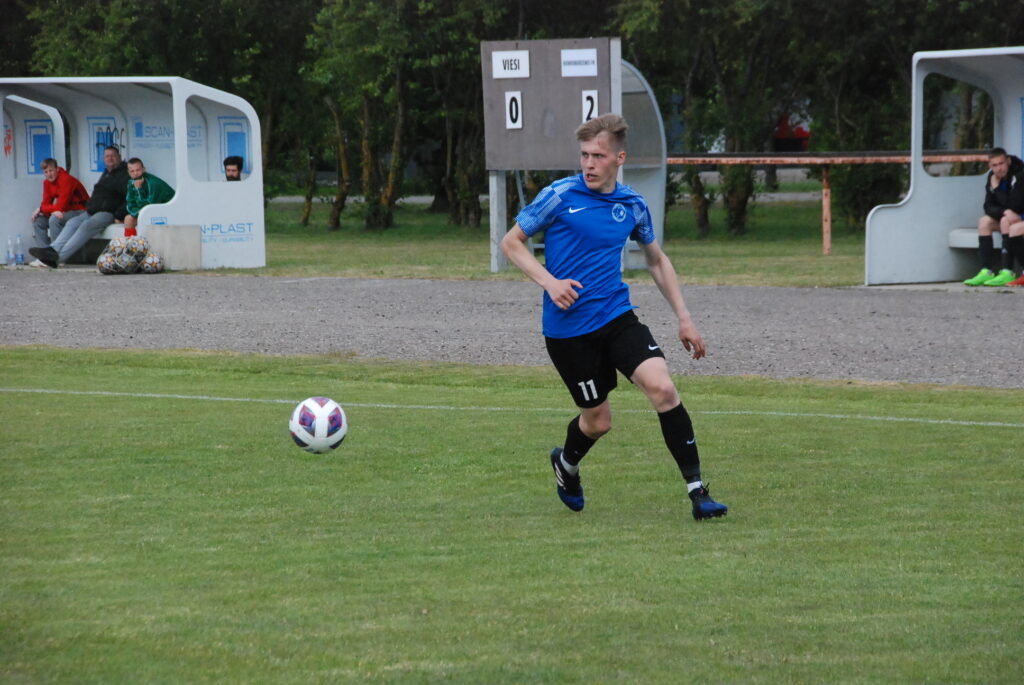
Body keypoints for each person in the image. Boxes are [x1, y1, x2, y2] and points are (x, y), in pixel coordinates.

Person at [500, 113, 728, 521]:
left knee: (663, 389)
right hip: (569, 331)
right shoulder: (558, 195)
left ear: (619, 158)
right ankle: (566, 465)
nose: (589, 164)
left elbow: (656, 260)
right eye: (584, 155)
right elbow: (511, 242)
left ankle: (698, 494)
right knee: (598, 421)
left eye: (598, 156)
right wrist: (550, 283)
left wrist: (684, 317)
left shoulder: (632, 204)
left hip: (617, 317)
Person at [29, 146, 128, 269]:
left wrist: (119, 215)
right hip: (92, 211)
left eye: (113, 155)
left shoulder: (125, 173)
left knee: (85, 225)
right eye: (107, 156)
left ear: (119, 157)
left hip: (108, 213)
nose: (110, 158)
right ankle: (51, 250)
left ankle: (56, 259)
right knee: (72, 222)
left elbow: (129, 198)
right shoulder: (107, 173)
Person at [964, 147, 1024, 286]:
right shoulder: (992, 177)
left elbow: (1015, 204)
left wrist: (996, 189)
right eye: (994, 165)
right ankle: (986, 271)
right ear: (990, 166)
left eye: (1001, 163)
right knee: (984, 222)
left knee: (1006, 221)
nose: (998, 168)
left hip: (1019, 216)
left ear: (1008, 161)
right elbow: (988, 206)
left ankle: (1007, 272)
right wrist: (1005, 211)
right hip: (1010, 216)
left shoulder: (1019, 174)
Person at [28, 158, 89, 265]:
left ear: (57, 169)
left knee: (54, 219)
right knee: (38, 221)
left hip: (81, 211)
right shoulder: (47, 183)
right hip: (65, 212)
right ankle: (45, 257)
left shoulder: (66, 179)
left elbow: (61, 206)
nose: (49, 174)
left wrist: (42, 209)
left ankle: (57, 256)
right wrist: (43, 209)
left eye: (51, 170)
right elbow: (46, 203)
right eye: (46, 172)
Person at [123, 157, 175, 237]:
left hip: (169, 211)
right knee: (128, 219)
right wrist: (136, 213)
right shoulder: (132, 182)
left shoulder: (153, 183)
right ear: (128, 172)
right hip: (153, 211)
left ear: (144, 169)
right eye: (132, 171)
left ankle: (145, 244)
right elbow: (130, 204)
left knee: (142, 220)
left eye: (138, 170)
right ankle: (131, 244)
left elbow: (149, 207)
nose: (135, 173)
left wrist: (139, 189)